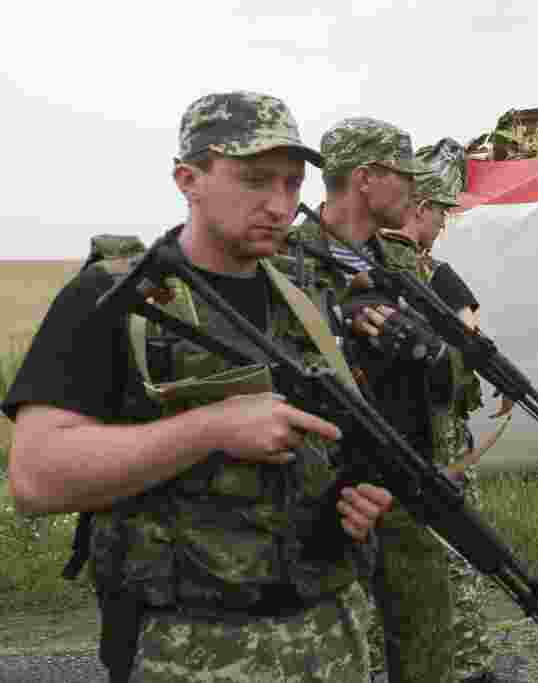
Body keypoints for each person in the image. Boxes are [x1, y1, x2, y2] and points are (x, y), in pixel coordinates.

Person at [1, 91, 394, 683]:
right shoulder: (114, 298)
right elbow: (36, 477)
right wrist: (209, 428)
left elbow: (336, 442)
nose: (280, 204)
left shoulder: (305, 296)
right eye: (256, 180)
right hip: (184, 647)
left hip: (331, 632)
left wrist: (355, 500)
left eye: (291, 184)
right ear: (189, 178)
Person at [289, 117, 474, 683]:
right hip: (324, 496)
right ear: (366, 179)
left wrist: (434, 351)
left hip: (406, 483)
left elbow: (461, 376)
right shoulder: (285, 263)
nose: (416, 193)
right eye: (404, 177)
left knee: (427, 645)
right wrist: (340, 325)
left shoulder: (402, 266)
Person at [377, 170, 509, 683]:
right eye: (441, 214)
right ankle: (469, 667)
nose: (443, 224)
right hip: (434, 437)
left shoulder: (356, 262)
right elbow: (472, 342)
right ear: (421, 207)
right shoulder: (433, 274)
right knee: (455, 554)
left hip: (380, 438)